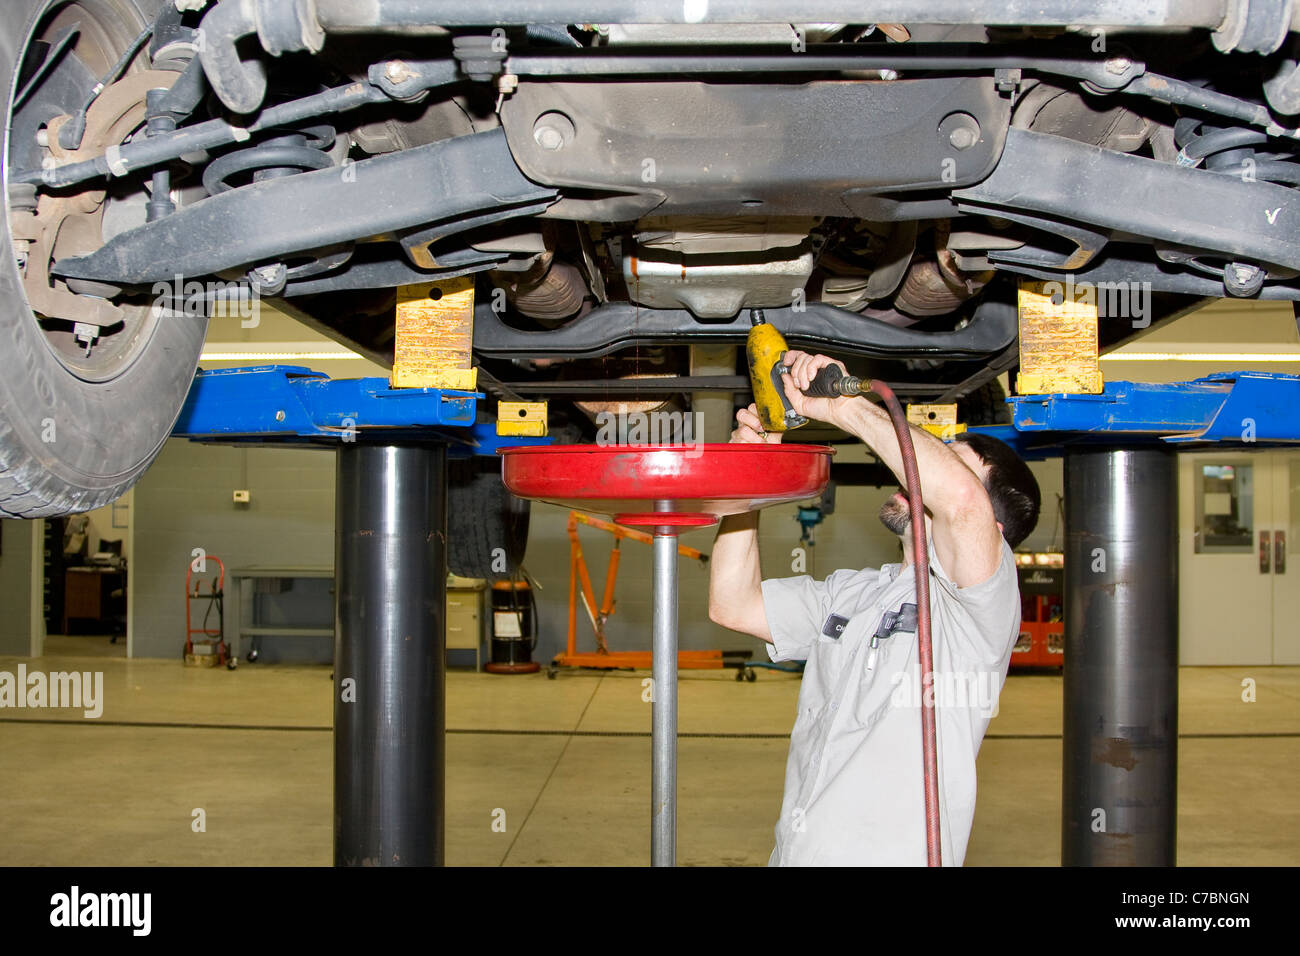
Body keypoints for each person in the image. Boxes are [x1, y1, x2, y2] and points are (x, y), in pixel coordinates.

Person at [708, 350, 1041, 865]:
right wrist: (747, 480)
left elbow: (961, 502)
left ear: (991, 535)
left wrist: (843, 405)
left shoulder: (978, 611)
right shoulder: (852, 592)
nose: (910, 466)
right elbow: (734, 604)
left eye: (945, 464)